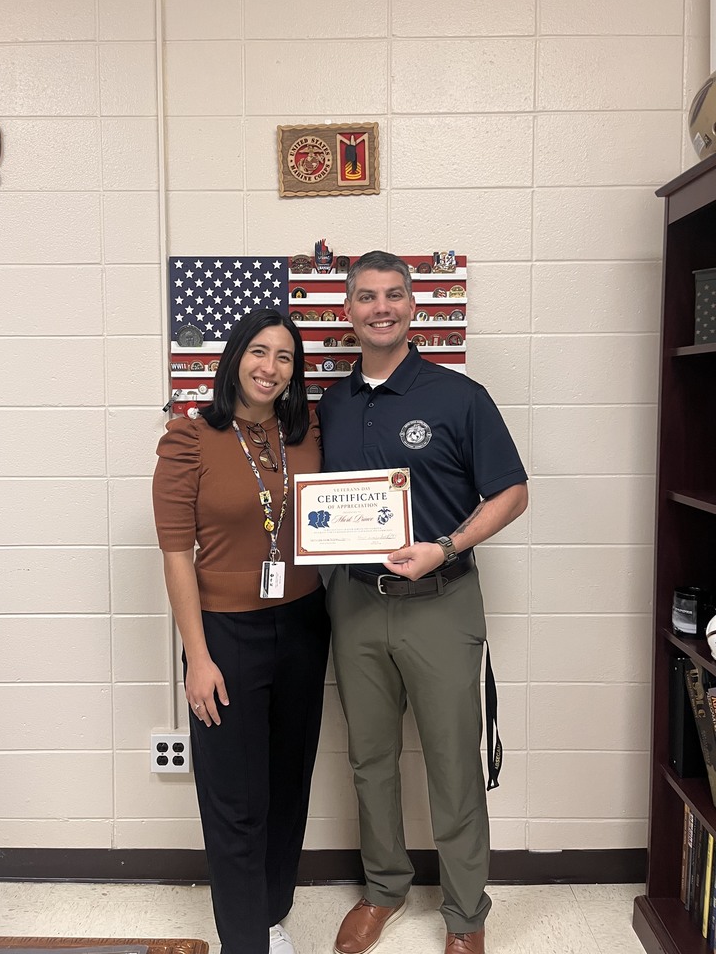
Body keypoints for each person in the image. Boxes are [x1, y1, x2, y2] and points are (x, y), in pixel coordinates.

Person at [316, 252, 528, 954]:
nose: (382, 307)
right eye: (367, 297)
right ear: (347, 311)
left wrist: (446, 545)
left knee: (451, 761)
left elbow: (512, 492)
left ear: (415, 307)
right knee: (370, 758)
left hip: (441, 598)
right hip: (354, 603)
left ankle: (466, 916)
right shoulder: (334, 404)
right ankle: (384, 889)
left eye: (395, 295)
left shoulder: (458, 396)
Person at [152, 308, 330, 954]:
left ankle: (271, 912)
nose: (270, 367)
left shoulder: (306, 431)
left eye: (285, 357)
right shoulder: (189, 439)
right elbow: (176, 556)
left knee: (289, 781)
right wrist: (197, 658)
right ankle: (243, 941)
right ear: (234, 358)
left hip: (307, 626)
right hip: (224, 633)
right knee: (235, 796)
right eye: (259, 352)